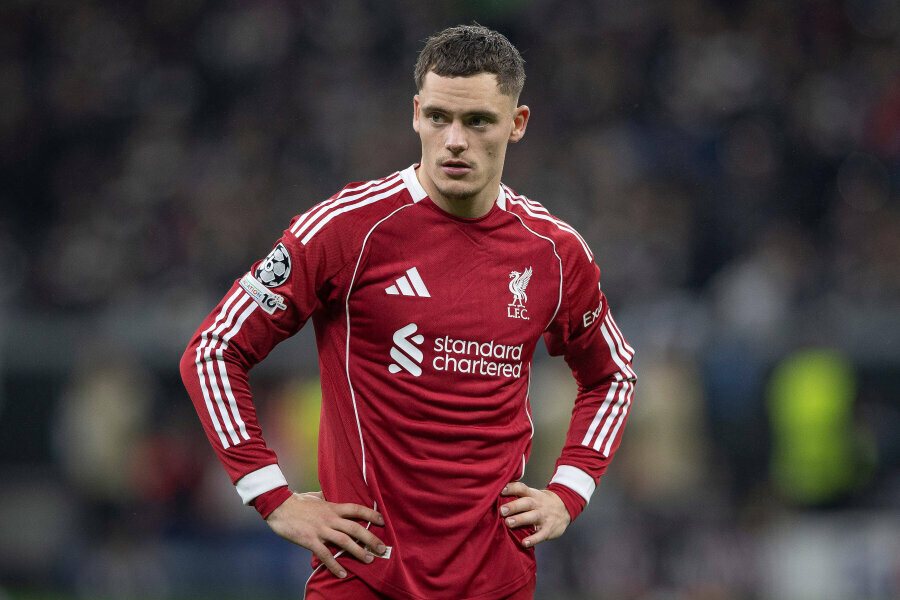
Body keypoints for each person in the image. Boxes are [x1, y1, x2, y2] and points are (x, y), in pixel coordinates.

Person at [180, 24, 635, 600]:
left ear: (517, 124)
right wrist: (272, 496)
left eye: (478, 121)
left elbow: (612, 375)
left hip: (497, 580)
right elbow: (213, 350)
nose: (454, 140)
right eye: (439, 117)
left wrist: (568, 492)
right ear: (416, 114)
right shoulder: (346, 229)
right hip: (364, 574)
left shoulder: (554, 252)